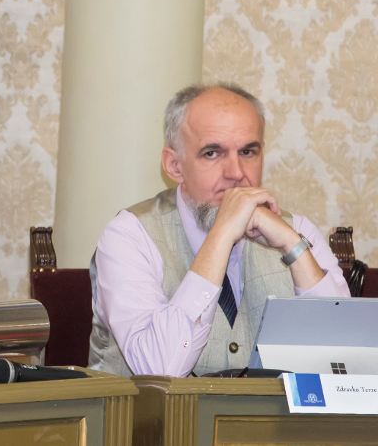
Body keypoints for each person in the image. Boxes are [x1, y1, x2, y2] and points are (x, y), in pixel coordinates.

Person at [87, 83, 349, 377]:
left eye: (248, 151)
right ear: (174, 166)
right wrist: (221, 234)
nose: (236, 173)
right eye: (212, 153)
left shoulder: (297, 229)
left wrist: (293, 246)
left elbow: (348, 361)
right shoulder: (130, 236)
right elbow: (158, 371)